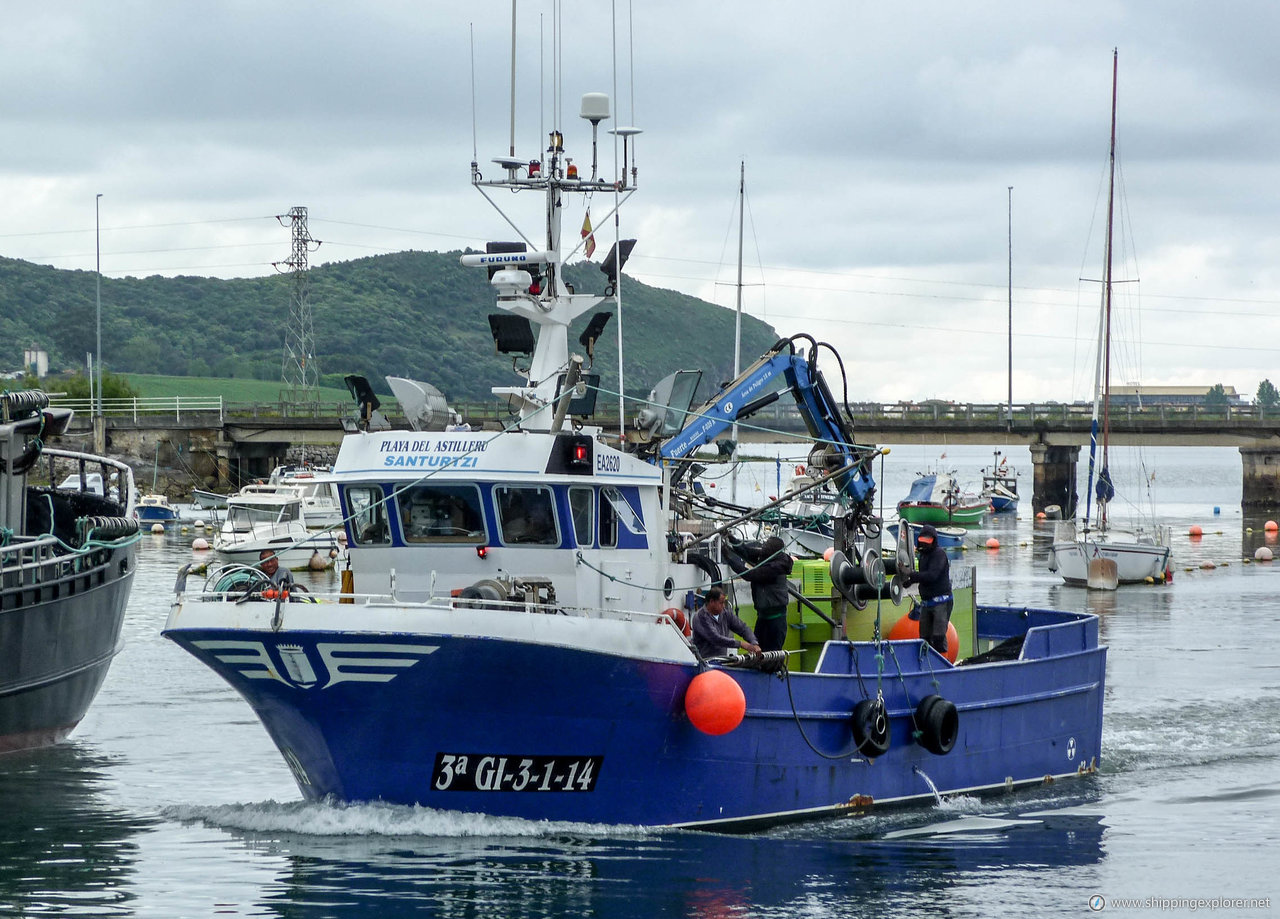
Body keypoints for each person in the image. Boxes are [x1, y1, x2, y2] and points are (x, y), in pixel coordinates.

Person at [724, 535, 793, 653]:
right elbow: (746, 551)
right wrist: (732, 539)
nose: (764, 546)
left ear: (774, 550)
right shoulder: (767, 556)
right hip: (763, 617)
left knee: (771, 655)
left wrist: (729, 560)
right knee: (756, 650)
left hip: (776, 620)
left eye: (767, 545)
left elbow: (750, 575)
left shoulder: (776, 567)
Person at [898, 524, 953, 655]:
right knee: (925, 638)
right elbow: (924, 576)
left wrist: (910, 573)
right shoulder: (923, 556)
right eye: (922, 542)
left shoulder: (939, 554)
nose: (925, 545)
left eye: (927, 542)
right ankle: (928, 665)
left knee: (939, 636)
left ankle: (943, 664)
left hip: (941, 601)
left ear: (934, 541)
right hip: (927, 602)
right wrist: (910, 581)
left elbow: (932, 575)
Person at [691, 587, 761, 659]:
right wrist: (741, 644)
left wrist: (754, 642)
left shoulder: (725, 613)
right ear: (712, 601)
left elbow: (743, 628)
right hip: (704, 663)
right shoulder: (700, 617)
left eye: (724, 602)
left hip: (721, 661)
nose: (724, 606)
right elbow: (716, 638)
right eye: (721, 603)